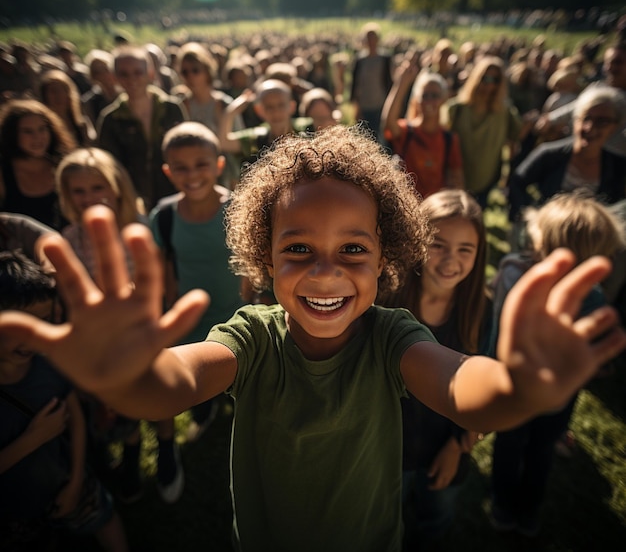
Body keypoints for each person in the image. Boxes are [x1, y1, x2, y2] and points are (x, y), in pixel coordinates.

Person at [0, 125, 624, 552]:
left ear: (386, 260)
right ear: (264, 261)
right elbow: (178, 381)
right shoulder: (253, 336)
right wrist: (128, 379)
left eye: (352, 249)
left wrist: (515, 389)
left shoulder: (390, 336)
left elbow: (463, 385)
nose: (325, 271)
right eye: (298, 249)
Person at [487, 192, 625, 538]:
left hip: (510, 387)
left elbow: (496, 329)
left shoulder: (514, 273)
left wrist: (488, 368)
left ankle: (503, 508)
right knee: (541, 450)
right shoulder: (592, 296)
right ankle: (528, 513)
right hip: (560, 398)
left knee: (509, 444)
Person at [55, 146, 184, 504]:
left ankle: (167, 448)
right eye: (78, 191)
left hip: (147, 329)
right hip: (103, 340)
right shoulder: (70, 238)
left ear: (117, 188)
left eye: (98, 188)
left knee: (160, 393)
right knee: (123, 400)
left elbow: (161, 278)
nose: (89, 199)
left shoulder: (141, 228)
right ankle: (131, 454)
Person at [377, 189, 491, 549]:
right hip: (383, 449)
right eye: (438, 244)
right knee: (380, 525)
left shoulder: (481, 309)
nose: (450, 260)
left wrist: (458, 447)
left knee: (434, 522)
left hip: (443, 446)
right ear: (416, 241)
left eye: (465, 249)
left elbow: (481, 390)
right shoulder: (385, 296)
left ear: (480, 253)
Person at [0, 249, 128, 552]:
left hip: (67, 482)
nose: (32, 336)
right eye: (18, 325)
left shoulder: (50, 363)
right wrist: (34, 438)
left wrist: (73, 484)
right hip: (12, 511)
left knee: (102, 519)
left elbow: (76, 418)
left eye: (42, 321)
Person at [150, 123, 245, 441]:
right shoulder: (163, 217)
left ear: (219, 164)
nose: (192, 175)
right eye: (181, 168)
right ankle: (204, 412)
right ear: (167, 171)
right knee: (200, 385)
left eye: (201, 165)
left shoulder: (238, 210)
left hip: (236, 318)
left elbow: (251, 264)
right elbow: (166, 269)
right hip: (191, 324)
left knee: (240, 382)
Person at [507, 85, 626, 227]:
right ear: (575, 120)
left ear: (615, 126)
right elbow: (517, 182)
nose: (590, 127)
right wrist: (531, 217)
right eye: (586, 118)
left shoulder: (619, 167)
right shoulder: (549, 154)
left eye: (602, 121)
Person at [97, 44, 187, 211]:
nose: (132, 79)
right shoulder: (110, 119)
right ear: (114, 77)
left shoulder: (171, 109)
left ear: (150, 74)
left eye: (138, 72)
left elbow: (187, 150)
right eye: (124, 74)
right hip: (133, 201)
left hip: (177, 195)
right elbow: (111, 166)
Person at [442, 55, 532, 207]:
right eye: (485, 78)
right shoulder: (455, 109)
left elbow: (517, 135)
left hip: (486, 181)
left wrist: (531, 122)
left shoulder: (505, 112)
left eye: (495, 80)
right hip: (455, 180)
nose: (489, 85)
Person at [382, 55, 464, 198]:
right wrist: (401, 83)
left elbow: (456, 177)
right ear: (417, 100)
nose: (430, 101)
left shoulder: (449, 139)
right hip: (407, 205)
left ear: (444, 99)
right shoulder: (407, 131)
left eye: (435, 95)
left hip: (434, 208)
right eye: (425, 96)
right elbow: (388, 123)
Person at [0, 98, 76, 230]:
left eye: (42, 129)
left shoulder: (65, 166)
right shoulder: (3, 174)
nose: (38, 137)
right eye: (28, 131)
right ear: (12, 134)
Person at [217, 78, 311, 181]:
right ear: (259, 110)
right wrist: (230, 112)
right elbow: (224, 142)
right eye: (269, 107)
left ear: (292, 106)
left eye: (281, 105)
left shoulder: (309, 130)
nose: (276, 112)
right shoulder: (256, 139)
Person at [349, 22, 394, 148]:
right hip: (364, 105)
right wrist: (356, 106)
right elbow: (356, 84)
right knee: (365, 138)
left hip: (381, 104)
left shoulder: (385, 58)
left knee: (381, 138)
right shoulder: (360, 60)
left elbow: (389, 82)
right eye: (368, 38)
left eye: (373, 37)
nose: (371, 41)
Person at [38, 68, 97, 146]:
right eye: (53, 91)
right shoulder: (43, 128)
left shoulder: (81, 125)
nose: (58, 95)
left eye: (62, 90)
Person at [81, 49, 122, 127]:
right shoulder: (90, 102)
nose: (103, 75)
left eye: (105, 69)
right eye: (97, 72)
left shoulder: (126, 93)